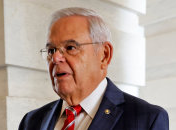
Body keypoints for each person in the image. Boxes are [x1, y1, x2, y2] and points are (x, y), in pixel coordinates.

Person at [18, 7, 169, 130]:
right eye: (51, 50)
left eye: (70, 47)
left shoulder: (147, 119)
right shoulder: (31, 122)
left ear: (104, 55)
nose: (56, 58)